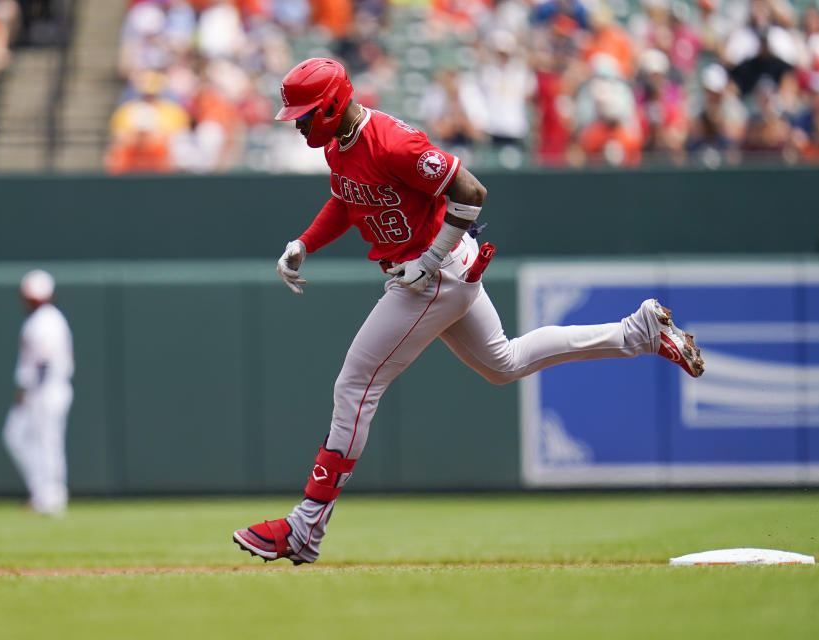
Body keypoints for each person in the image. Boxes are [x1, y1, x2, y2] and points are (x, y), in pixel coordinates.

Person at [232, 57, 705, 565]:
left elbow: (472, 192)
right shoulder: (340, 145)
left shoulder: (391, 141)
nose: (299, 122)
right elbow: (348, 201)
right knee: (504, 363)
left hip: (432, 273)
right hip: (436, 271)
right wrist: (305, 242)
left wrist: (431, 259)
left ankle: (305, 527)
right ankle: (639, 333)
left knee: (354, 385)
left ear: (330, 105)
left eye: (305, 113)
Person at [2, 270, 74, 516]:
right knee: (17, 437)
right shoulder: (44, 320)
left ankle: (53, 496)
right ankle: (44, 493)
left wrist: (29, 391)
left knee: (48, 444)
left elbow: (43, 362)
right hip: (42, 389)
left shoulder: (47, 320)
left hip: (46, 389)